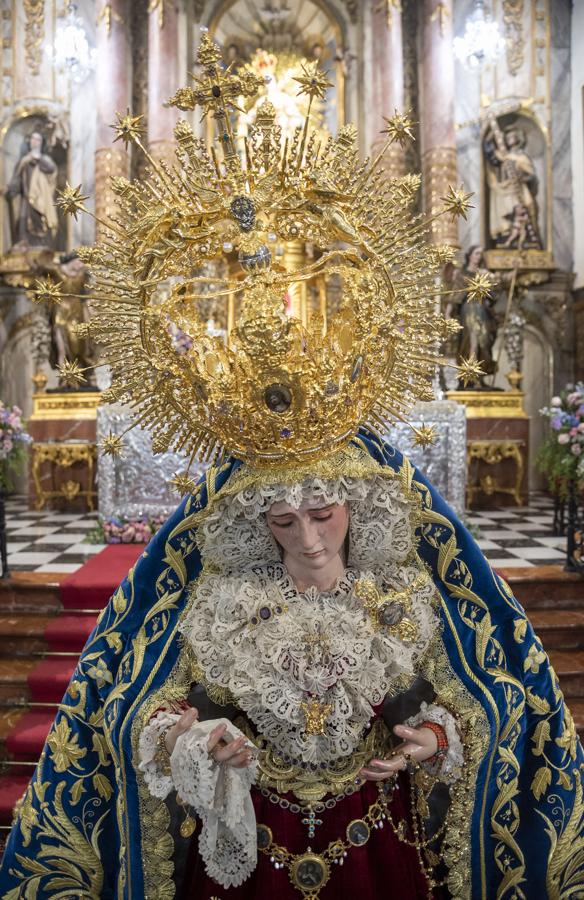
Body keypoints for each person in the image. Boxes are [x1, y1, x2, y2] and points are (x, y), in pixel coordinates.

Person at [1, 33, 583, 900]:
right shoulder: (224, 593)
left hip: (381, 842)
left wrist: (440, 741)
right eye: (283, 520)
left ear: (360, 508)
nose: (308, 538)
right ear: (251, 525)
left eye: (325, 514)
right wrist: (197, 744)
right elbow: (134, 707)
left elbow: (487, 692)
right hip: (251, 841)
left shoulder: (397, 590)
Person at [483, 114, 542, 249]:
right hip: (505, 190)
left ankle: (528, 239)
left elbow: (531, 176)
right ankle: (507, 239)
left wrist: (522, 178)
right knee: (508, 213)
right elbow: (491, 156)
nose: (510, 139)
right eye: (507, 137)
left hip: (519, 189)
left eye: (513, 136)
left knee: (527, 206)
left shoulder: (521, 157)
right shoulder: (503, 155)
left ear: (518, 138)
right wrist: (491, 136)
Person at [3, 130, 58, 249]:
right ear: (29, 142)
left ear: (41, 143)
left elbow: (52, 170)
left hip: (42, 199)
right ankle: (24, 244)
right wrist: (9, 189)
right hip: (27, 198)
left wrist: (37, 159)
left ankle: (43, 245)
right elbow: (17, 181)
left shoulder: (45, 160)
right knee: (23, 221)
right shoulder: (24, 161)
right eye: (33, 139)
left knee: (41, 221)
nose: (35, 142)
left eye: (38, 139)